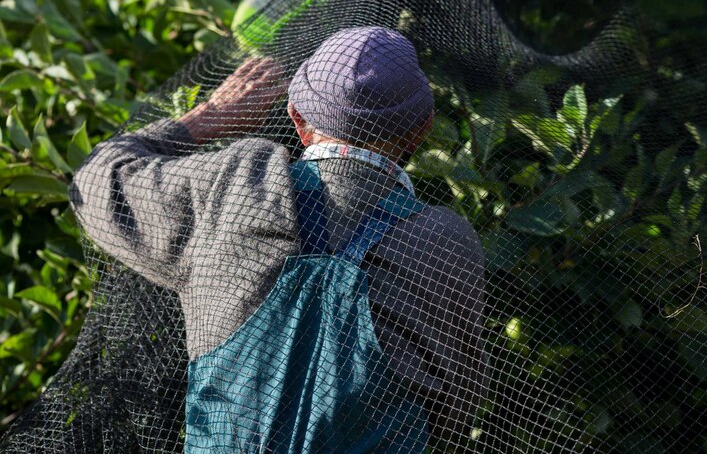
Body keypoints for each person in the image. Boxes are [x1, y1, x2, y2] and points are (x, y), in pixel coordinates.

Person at [69, 27, 487, 451]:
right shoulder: (444, 240)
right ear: (422, 130)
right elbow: (461, 401)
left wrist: (207, 118)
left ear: (298, 120)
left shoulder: (235, 186)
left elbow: (97, 184)